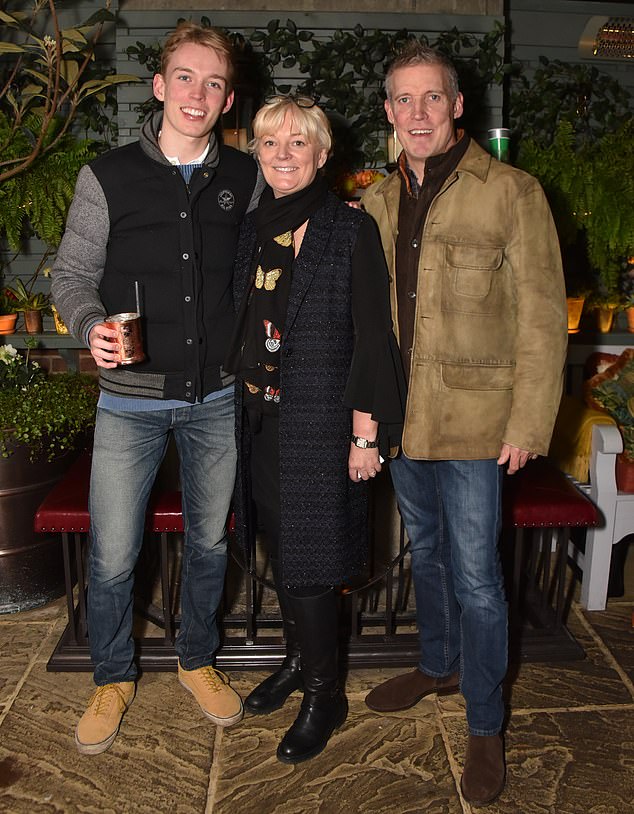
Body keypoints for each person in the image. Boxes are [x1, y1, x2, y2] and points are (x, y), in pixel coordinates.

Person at [361, 41, 567, 806]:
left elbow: (545, 318)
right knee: (430, 554)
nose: (417, 114)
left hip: (483, 424)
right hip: (407, 423)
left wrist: (528, 422)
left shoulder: (512, 191)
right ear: (388, 113)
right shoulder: (379, 201)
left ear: (456, 107)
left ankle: (486, 720)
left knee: (480, 577)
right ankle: (438, 662)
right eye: (402, 101)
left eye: (431, 99)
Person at [52, 22, 260, 755]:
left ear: (227, 97)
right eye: (185, 77)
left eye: (212, 82)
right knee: (113, 551)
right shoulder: (106, 175)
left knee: (207, 542)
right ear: (159, 84)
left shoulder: (246, 176)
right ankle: (113, 675)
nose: (196, 93)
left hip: (217, 398)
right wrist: (89, 327)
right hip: (130, 401)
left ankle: (197, 658)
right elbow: (71, 277)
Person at [225, 95, 405, 764]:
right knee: (279, 548)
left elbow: (371, 334)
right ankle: (301, 661)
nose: (283, 155)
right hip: (258, 419)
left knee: (313, 564)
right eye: (272, 143)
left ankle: (325, 692)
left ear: (324, 156)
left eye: (298, 144)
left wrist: (366, 435)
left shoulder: (347, 230)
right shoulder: (253, 228)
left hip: (324, 424)